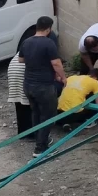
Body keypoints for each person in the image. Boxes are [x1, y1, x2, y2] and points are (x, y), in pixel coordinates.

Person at [20, 16, 66, 156]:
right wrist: (63, 78)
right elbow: (56, 63)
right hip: (44, 86)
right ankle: (41, 149)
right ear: (48, 29)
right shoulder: (48, 43)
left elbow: (21, 59)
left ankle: (39, 140)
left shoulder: (26, 42)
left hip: (28, 85)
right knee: (48, 115)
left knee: (36, 113)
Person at [6, 36, 32, 134]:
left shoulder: (26, 45)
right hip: (21, 74)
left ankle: (22, 132)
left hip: (13, 72)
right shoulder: (34, 48)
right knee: (27, 104)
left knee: (19, 103)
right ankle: (30, 133)